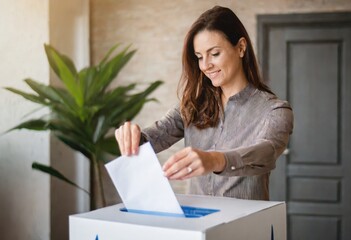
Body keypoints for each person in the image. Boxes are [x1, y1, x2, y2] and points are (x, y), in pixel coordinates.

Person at [115, 5, 293, 201]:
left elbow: (266, 153)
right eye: (200, 57)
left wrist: (215, 160)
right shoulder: (192, 105)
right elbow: (154, 137)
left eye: (214, 54)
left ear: (241, 48)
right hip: (198, 224)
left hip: (244, 226)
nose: (205, 65)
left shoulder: (274, 110)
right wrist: (132, 137)